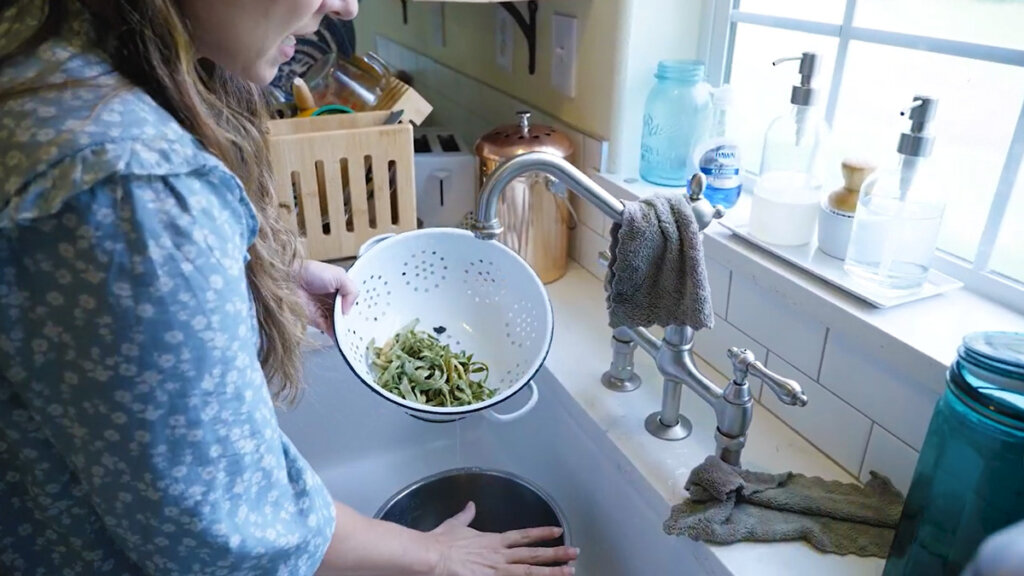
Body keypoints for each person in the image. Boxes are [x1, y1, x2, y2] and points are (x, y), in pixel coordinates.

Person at [0, 1, 579, 574]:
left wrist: (237, 277)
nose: (346, 7)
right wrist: (433, 555)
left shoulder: (52, 66)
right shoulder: (137, 187)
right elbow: (227, 529)